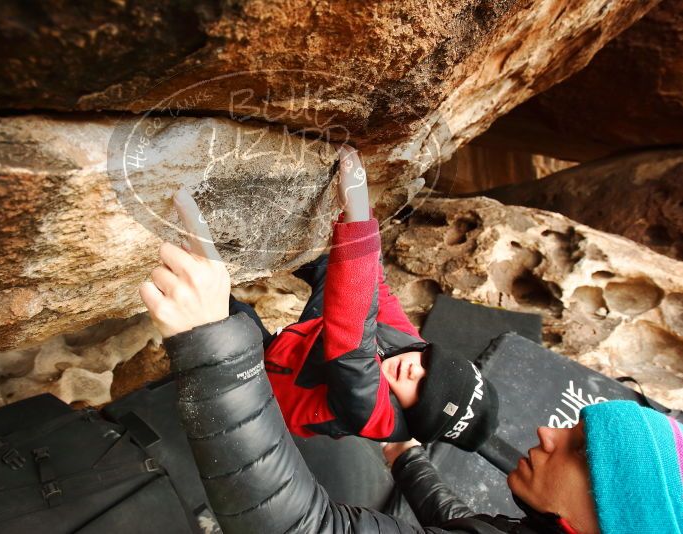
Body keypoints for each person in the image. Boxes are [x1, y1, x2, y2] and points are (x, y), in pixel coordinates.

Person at [139, 182, 683, 533]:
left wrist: (213, 346)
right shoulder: (412, 371)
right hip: (299, 352)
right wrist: (407, 456)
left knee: (229, 317)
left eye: (580, 450)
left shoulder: (370, 404)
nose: (549, 433)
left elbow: (299, 527)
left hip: (270, 377)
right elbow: (463, 524)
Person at [230, 146, 498, 451]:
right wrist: (360, 222)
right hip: (308, 344)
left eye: (422, 389)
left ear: (414, 415)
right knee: (326, 266)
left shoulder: (373, 415)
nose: (415, 369)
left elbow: (351, 341)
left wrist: (357, 214)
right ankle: (250, 233)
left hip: (272, 382)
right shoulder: (411, 349)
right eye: (430, 363)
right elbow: (377, 290)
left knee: (235, 320)